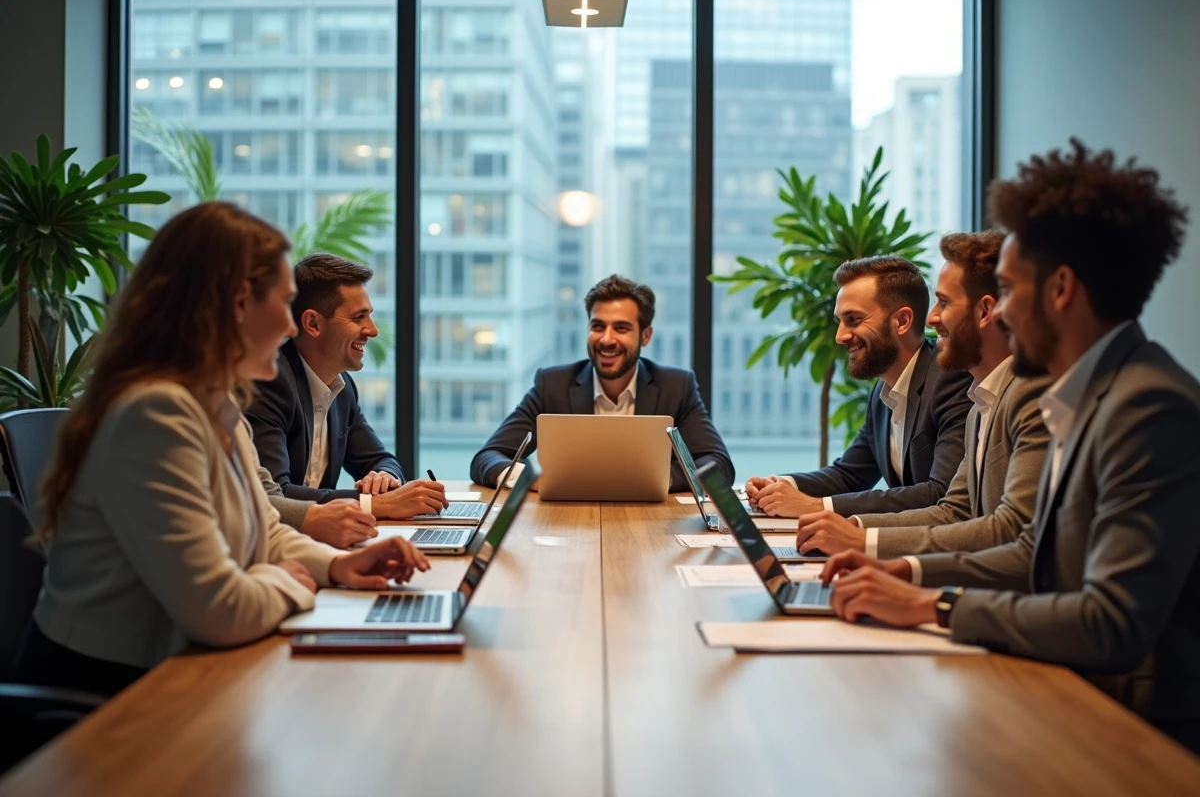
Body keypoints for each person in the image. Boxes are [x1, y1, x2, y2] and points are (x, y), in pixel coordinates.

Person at [820, 139, 1200, 752]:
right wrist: (903, 572)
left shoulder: (1147, 406)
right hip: (1065, 683)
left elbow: (1111, 622)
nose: (1000, 312)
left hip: (1135, 727)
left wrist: (932, 605)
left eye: (1011, 290)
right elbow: (1030, 552)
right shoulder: (1087, 393)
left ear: (1061, 290)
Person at [13, 202, 429, 698]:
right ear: (238, 305)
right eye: (283, 304)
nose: (291, 327)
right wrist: (292, 582)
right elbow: (219, 610)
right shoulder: (155, 413)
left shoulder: (216, 403)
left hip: (175, 677)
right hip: (102, 703)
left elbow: (266, 529)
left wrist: (338, 567)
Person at [793, 231, 1050, 558]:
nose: (931, 317)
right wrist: (852, 528)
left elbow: (1006, 532)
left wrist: (858, 538)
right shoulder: (979, 404)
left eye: (944, 302)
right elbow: (954, 512)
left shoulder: (1022, 394)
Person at [745, 256, 973, 517]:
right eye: (840, 322)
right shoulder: (883, 391)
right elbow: (849, 475)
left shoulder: (949, 378)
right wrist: (782, 486)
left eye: (853, 319)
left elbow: (941, 493)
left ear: (902, 321)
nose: (840, 336)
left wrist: (815, 506)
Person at [245, 253, 448, 543]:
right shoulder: (270, 382)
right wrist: (377, 504)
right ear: (313, 324)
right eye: (358, 317)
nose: (373, 330)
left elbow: (380, 459)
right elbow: (276, 495)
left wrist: (383, 477)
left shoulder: (342, 388)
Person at [470, 274, 733, 492]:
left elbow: (718, 465)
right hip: (568, 524)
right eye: (597, 326)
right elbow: (488, 457)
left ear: (645, 336)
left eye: (621, 328)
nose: (606, 339)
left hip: (650, 523)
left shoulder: (676, 388)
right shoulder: (553, 385)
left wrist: (661, 479)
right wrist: (528, 478)